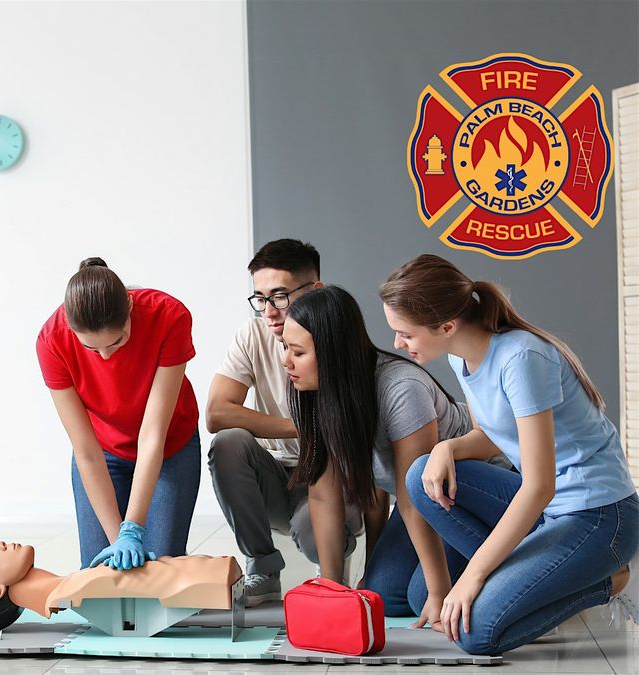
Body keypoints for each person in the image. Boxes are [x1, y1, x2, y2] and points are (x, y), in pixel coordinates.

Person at [379, 254, 638, 654]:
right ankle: (527, 574)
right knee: (420, 476)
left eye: (405, 334)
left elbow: (539, 487)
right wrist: (447, 446)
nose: (398, 343)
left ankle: (607, 579)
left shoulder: (521, 358)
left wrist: (474, 576)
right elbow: (492, 435)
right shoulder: (460, 355)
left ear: (446, 326)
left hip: (600, 515)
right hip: (548, 512)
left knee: (472, 632)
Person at [281, 286, 484, 626]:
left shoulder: (401, 388)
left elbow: (412, 498)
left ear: (333, 355)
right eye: (285, 347)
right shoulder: (316, 389)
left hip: (467, 490)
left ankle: (519, 555)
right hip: (428, 496)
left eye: (297, 352)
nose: (286, 360)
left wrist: (438, 593)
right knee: (383, 594)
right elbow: (323, 493)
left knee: (423, 596)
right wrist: (335, 592)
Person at [206, 239, 362, 606]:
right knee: (228, 441)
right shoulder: (254, 335)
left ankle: (330, 574)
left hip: (336, 479)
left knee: (313, 532)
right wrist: (300, 431)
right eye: (260, 298)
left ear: (316, 290)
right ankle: (263, 566)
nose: (269, 311)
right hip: (278, 475)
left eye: (279, 296)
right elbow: (216, 412)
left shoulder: (342, 338)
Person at [36, 258, 200, 571]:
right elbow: (85, 452)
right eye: (92, 349)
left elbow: (153, 434)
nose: (107, 356)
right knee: (103, 575)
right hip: (102, 451)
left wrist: (133, 529)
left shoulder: (168, 316)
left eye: (118, 340)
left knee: (158, 574)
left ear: (129, 305)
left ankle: (170, 545)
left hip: (168, 447)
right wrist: (118, 542)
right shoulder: (51, 341)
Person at [0, 541, 240, 631]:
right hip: (214, 575)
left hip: (213, 572)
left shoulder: (80, 583)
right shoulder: (83, 587)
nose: (0, 544)